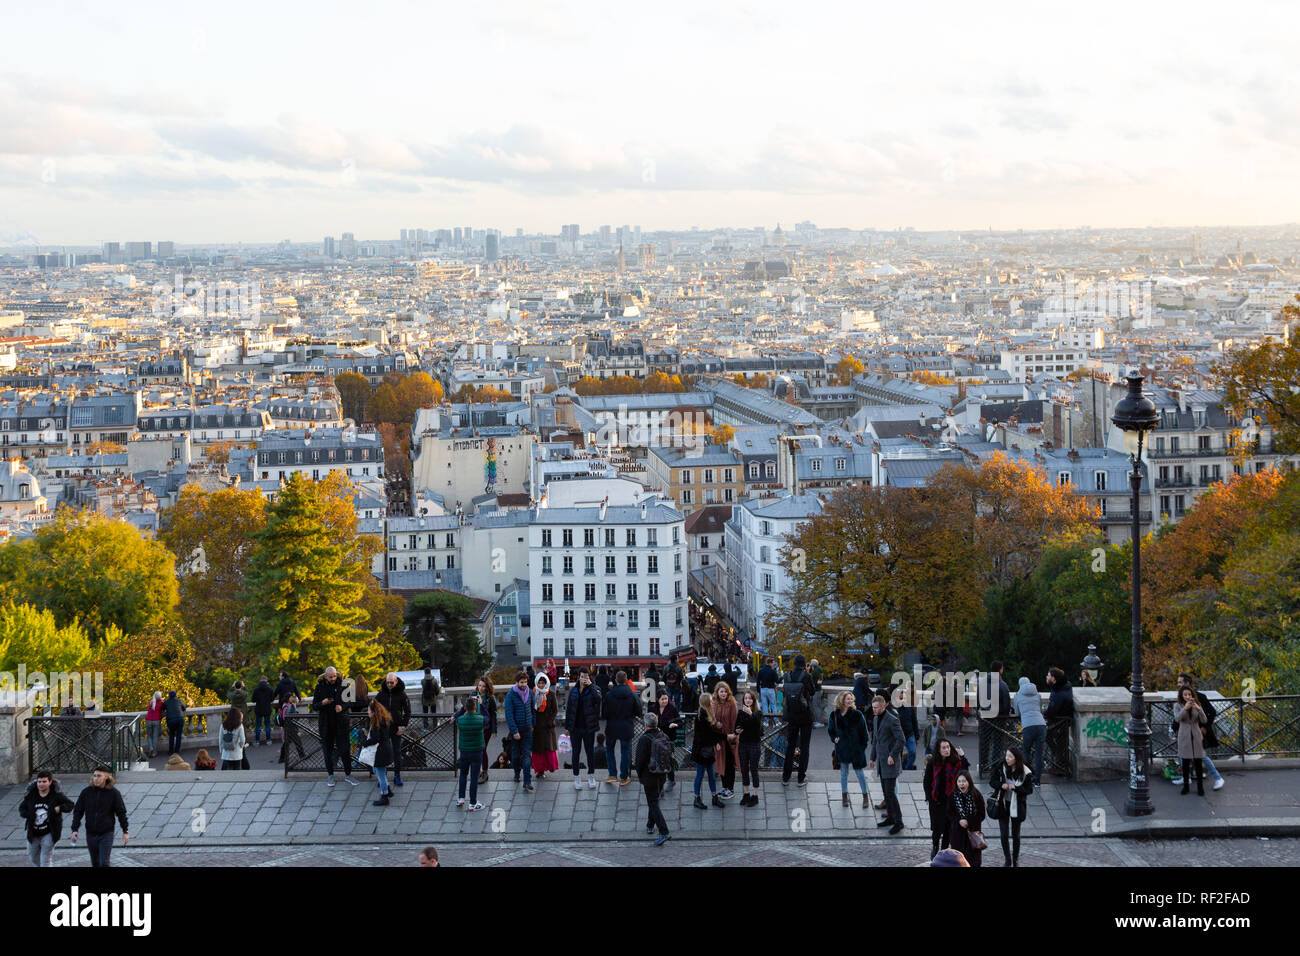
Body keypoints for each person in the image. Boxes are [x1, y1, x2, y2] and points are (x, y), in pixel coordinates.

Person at [70, 766, 129, 868]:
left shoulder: (114, 793)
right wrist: (75, 829)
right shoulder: (86, 792)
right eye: (94, 776)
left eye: (99, 776)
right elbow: (78, 811)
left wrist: (125, 831)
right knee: (95, 863)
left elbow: (121, 812)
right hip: (91, 833)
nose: (96, 778)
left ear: (106, 777)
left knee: (104, 863)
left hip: (106, 833)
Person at [922, 737, 969, 858]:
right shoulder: (932, 763)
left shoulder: (954, 761)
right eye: (944, 748)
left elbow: (965, 773)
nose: (947, 750)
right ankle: (935, 846)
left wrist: (963, 756)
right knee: (936, 828)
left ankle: (943, 850)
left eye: (948, 747)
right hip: (936, 801)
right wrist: (930, 798)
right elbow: (927, 782)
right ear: (938, 749)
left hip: (950, 800)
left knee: (948, 828)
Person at [1177, 674, 1225, 790]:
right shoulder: (1180, 698)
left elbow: (1211, 713)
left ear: (1187, 683)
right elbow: (1179, 717)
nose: (1178, 685)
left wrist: (1204, 727)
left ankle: (1218, 778)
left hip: (1197, 732)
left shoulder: (1200, 697)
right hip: (1185, 733)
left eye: (1180, 682)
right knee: (1182, 754)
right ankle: (1186, 777)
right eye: (1178, 682)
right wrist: (1173, 729)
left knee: (1202, 756)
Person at [313, 667, 358, 788]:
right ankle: (330, 775)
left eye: (334, 676)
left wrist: (342, 707)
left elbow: (352, 702)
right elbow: (314, 706)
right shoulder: (319, 687)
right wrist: (322, 703)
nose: (333, 678)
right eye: (330, 676)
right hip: (326, 725)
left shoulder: (344, 685)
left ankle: (348, 774)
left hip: (341, 724)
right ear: (325, 676)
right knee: (327, 752)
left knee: (344, 750)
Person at [19, 770, 75, 866]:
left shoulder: (56, 795)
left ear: (50, 782)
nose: (41, 784)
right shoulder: (31, 795)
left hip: (50, 832)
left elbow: (70, 804)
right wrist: (28, 814)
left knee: (45, 859)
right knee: (33, 858)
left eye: (44, 781)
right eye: (39, 781)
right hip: (33, 832)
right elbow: (22, 808)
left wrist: (59, 808)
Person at [989, 746, 1033, 867]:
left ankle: (1015, 859)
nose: (1007, 758)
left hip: (1016, 805)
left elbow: (1029, 790)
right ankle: (1007, 859)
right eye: (1006, 755)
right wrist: (1001, 785)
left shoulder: (1025, 772)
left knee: (1016, 835)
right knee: (1004, 834)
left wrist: (1016, 788)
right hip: (1002, 804)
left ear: (1016, 759)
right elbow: (992, 781)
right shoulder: (1001, 766)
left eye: (1010, 756)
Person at [634, 712, 672, 846]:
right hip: (662, 774)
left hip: (649, 776)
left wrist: (640, 776)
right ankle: (650, 825)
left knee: (653, 803)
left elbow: (639, 761)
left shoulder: (644, 739)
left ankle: (664, 831)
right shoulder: (663, 735)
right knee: (654, 800)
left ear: (645, 725)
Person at [869, 694, 905, 834]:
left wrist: (892, 755)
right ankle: (890, 817)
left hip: (891, 762)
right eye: (873, 708)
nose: (875, 710)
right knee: (886, 792)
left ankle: (899, 822)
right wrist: (872, 758)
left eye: (877, 708)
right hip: (881, 762)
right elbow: (875, 741)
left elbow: (901, 740)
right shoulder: (876, 718)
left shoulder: (892, 720)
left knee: (890, 793)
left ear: (884, 706)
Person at [828, 691, 871, 808]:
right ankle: (844, 797)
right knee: (843, 773)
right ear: (842, 700)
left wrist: (862, 747)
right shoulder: (834, 715)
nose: (850, 701)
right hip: (842, 748)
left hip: (856, 749)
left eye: (851, 699)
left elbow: (864, 733)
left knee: (860, 773)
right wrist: (834, 738)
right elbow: (831, 730)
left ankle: (865, 796)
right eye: (848, 699)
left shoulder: (857, 714)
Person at [781, 654, 817, 787]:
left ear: (794, 663)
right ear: (804, 664)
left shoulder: (787, 676)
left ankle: (786, 777)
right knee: (804, 747)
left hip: (791, 715)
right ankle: (801, 778)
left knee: (790, 746)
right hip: (805, 716)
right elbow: (812, 692)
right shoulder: (807, 676)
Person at [601, 669, 641, 786]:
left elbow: (604, 714)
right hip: (626, 726)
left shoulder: (609, 695)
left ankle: (612, 774)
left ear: (616, 681)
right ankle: (624, 777)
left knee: (609, 750)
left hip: (612, 726)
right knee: (625, 751)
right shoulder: (632, 694)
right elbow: (638, 711)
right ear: (626, 680)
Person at [566, 667, 603, 789]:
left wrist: (591, 685)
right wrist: (567, 727)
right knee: (576, 753)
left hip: (588, 727)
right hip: (575, 728)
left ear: (589, 677)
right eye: (582, 676)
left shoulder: (594, 689)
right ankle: (576, 778)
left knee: (589, 752)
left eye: (586, 677)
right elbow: (569, 709)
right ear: (578, 677)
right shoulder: (574, 690)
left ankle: (591, 776)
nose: (584, 679)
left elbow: (598, 699)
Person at [375, 671, 411, 787]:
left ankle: (397, 775)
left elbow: (408, 712)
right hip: (383, 727)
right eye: (387, 682)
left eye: (391, 682)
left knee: (396, 752)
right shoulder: (381, 694)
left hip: (396, 727)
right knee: (382, 752)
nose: (389, 685)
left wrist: (403, 726)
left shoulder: (402, 694)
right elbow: (374, 707)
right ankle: (382, 777)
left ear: (396, 682)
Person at [978, 661, 1013, 774]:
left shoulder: (982, 682)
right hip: (998, 718)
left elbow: (978, 699)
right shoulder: (1002, 685)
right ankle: (995, 766)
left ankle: (984, 764)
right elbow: (1006, 703)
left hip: (985, 717)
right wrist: (1005, 715)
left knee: (984, 742)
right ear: (1000, 670)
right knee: (998, 743)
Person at [504, 671, 535, 792]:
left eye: (525, 682)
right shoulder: (511, 695)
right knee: (516, 756)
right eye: (522, 682)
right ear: (517, 682)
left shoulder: (530, 692)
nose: (524, 684)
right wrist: (514, 731)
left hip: (527, 729)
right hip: (516, 731)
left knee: (527, 755)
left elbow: (532, 709)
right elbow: (509, 715)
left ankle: (527, 781)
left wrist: (533, 724)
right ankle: (517, 773)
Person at [946, 769, 986, 867]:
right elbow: (949, 813)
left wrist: (969, 821)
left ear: (969, 781)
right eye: (959, 781)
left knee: (973, 861)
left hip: (973, 834)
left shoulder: (976, 795)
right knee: (958, 860)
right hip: (957, 834)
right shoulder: (953, 795)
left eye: (964, 781)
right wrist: (959, 820)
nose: (961, 784)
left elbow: (981, 814)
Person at [1012, 676, 1047, 784]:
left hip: (1028, 726)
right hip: (1041, 725)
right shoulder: (1037, 695)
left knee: (1026, 751)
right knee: (1039, 754)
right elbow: (1040, 710)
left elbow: (1017, 713)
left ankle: (1028, 777)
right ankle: (1037, 781)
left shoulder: (1017, 696)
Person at [691, 692, 723, 809]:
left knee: (711, 775)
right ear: (707, 702)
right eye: (711, 700)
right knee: (700, 775)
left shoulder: (707, 713)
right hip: (702, 751)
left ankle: (714, 797)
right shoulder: (702, 716)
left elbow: (710, 732)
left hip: (707, 750)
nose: (713, 701)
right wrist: (719, 739)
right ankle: (697, 798)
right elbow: (707, 734)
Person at [1174, 686, 1207, 796]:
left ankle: (1200, 787)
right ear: (1181, 696)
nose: (1188, 697)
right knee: (1185, 763)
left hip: (1196, 735)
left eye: (1189, 694)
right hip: (1184, 736)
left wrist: (1198, 708)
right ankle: (1186, 786)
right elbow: (1178, 719)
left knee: (1198, 763)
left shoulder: (1197, 704)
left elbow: (1204, 720)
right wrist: (1185, 708)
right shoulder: (1177, 705)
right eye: (1185, 695)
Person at [454, 696, 485, 810]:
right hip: (477, 751)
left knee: (463, 774)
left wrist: (462, 709)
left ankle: (461, 798)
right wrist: (481, 705)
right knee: (474, 777)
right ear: (475, 707)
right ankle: (473, 803)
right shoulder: (480, 719)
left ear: (466, 708)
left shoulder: (460, 720)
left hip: (464, 751)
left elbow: (457, 716)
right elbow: (487, 718)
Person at [364, 699, 397, 806]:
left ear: (373, 712)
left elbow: (375, 739)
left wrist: (364, 743)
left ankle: (384, 796)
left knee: (380, 775)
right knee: (378, 771)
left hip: (380, 752)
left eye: (368, 710)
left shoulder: (376, 723)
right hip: (386, 749)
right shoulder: (384, 720)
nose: (367, 712)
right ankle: (388, 789)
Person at [1043, 667, 1075, 779]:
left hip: (1058, 724)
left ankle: (1059, 763)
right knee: (1061, 745)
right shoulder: (1065, 686)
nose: (1046, 677)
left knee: (1047, 736)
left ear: (1054, 679)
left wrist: (1043, 712)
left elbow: (1051, 711)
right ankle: (1059, 763)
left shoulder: (1058, 694)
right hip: (1063, 723)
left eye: (1048, 675)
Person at [734, 689, 763, 806]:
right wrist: (736, 730)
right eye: (746, 698)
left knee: (754, 770)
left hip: (754, 744)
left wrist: (751, 714)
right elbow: (736, 726)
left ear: (753, 700)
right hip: (743, 744)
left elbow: (757, 727)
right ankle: (746, 794)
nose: (748, 700)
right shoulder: (740, 713)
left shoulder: (758, 713)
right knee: (744, 770)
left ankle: (755, 796)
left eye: (750, 698)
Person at [712, 680, 740, 799]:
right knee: (720, 762)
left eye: (725, 692)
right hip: (718, 738)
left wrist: (733, 737)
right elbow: (711, 720)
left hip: (729, 738)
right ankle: (724, 787)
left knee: (729, 764)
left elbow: (734, 721)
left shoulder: (732, 703)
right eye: (721, 691)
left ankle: (731, 788)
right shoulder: (714, 703)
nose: (723, 694)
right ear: (717, 693)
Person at [651, 690, 682, 793]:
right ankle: (659, 781)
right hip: (656, 738)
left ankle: (671, 780)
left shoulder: (672, 708)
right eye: (662, 699)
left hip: (669, 738)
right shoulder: (653, 709)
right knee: (658, 760)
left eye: (666, 699)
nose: (664, 701)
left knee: (668, 760)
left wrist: (675, 725)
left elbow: (679, 722)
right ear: (657, 700)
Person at [531, 673, 559, 779]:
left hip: (548, 727)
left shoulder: (551, 694)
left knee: (549, 748)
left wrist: (549, 721)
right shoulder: (533, 693)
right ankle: (540, 770)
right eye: (539, 683)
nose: (541, 685)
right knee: (538, 750)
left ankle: (550, 766)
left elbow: (555, 710)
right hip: (537, 727)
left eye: (543, 683)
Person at [474, 675, 498, 785]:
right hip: (476, 727)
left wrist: (494, 730)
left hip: (486, 728)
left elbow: (493, 715)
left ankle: (484, 772)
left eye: (483, 686)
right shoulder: (473, 696)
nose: (481, 688)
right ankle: (478, 771)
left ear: (487, 687)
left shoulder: (490, 698)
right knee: (477, 750)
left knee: (482, 749)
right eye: (479, 685)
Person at [278, 695, 307, 765]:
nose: (298, 700)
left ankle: (282, 758)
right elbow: (291, 718)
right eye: (297, 699)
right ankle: (302, 755)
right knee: (297, 742)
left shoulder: (288, 706)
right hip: (291, 728)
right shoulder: (290, 706)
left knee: (287, 743)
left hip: (289, 727)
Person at [897, 684, 919, 770]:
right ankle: (899, 767)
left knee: (912, 752)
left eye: (904, 698)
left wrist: (917, 737)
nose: (902, 700)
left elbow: (915, 722)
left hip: (910, 734)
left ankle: (907, 768)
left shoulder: (910, 708)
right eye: (901, 698)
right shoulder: (895, 709)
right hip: (898, 735)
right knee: (898, 754)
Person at [250, 676, 276, 746]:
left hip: (259, 709)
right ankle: (268, 740)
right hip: (267, 709)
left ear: (260, 681)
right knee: (267, 725)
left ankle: (257, 741)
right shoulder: (270, 689)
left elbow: (253, 700)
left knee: (258, 726)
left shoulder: (256, 690)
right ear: (266, 681)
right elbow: (272, 699)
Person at [756, 657, 780, 725]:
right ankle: (776, 720)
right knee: (773, 705)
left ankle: (766, 721)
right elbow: (777, 681)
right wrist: (782, 677)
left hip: (763, 689)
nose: (773, 664)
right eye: (773, 663)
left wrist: (758, 690)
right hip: (770, 689)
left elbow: (758, 681)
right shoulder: (773, 671)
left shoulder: (761, 670)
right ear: (770, 663)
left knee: (765, 705)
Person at [164, 689, 186, 756]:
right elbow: (184, 708)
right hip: (180, 719)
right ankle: (177, 751)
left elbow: (163, 708)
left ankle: (171, 751)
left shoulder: (166, 702)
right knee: (179, 735)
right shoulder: (179, 700)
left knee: (171, 735)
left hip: (171, 720)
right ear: (176, 695)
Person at [144, 691, 164, 757]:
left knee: (149, 736)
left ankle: (151, 748)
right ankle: (154, 752)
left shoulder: (151, 702)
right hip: (156, 720)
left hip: (149, 720)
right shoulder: (161, 703)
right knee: (155, 737)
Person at [809, 658, 826, 726]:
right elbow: (820, 680)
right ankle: (819, 721)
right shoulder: (819, 669)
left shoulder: (816, 671)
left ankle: (820, 722)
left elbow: (818, 681)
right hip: (818, 690)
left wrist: (814, 684)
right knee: (817, 706)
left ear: (812, 665)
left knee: (816, 706)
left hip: (816, 691)